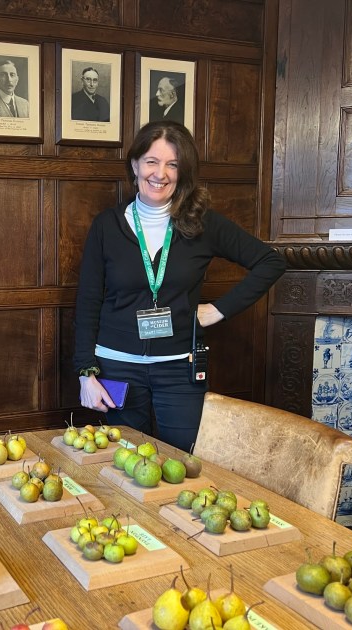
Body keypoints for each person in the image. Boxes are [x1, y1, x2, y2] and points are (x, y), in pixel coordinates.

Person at [73, 121, 285, 451]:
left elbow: (270, 262)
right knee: (127, 467)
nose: (161, 173)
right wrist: (86, 374)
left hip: (178, 370)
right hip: (117, 368)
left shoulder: (202, 223)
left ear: (182, 172)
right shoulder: (107, 226)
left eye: (172, 164)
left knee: (183, 465)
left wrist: (218, 311)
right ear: (135, 165)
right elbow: (87, 303)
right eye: (152, 162)